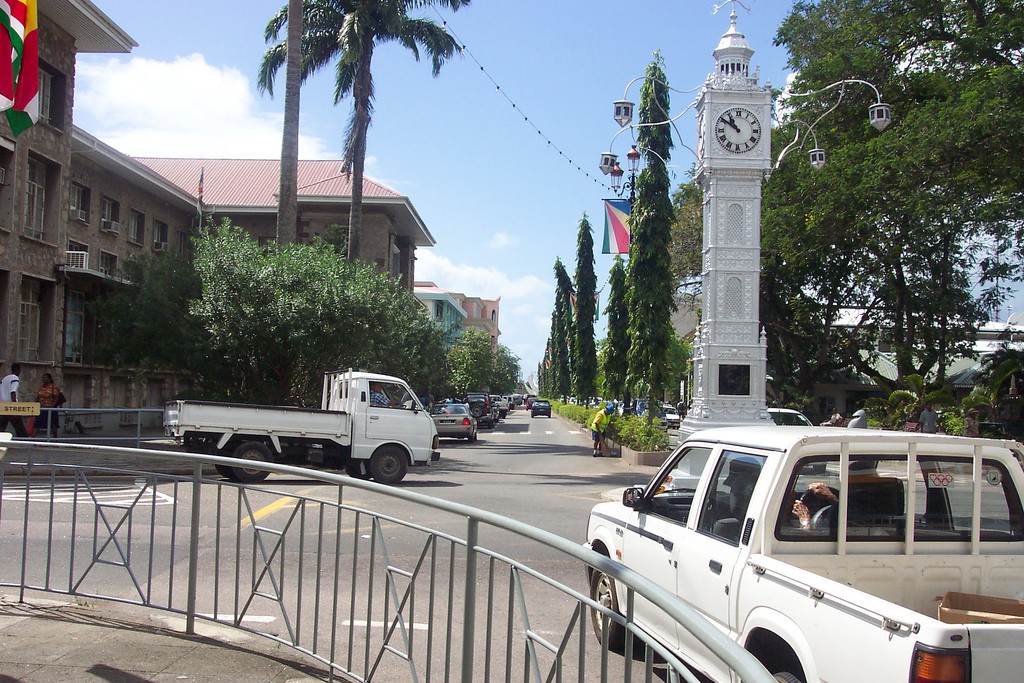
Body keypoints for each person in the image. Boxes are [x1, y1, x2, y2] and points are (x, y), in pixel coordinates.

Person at [0, 362, 28, 437]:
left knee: (2, 426)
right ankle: (24, 442)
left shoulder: (5, 378)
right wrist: (15, 405)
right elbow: (13, 391)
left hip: (3, 406)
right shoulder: (15, 378)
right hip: (11, 406)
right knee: (19, 427)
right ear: (19, 370)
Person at [36, 372, 65, 437]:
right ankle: (32, 438)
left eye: (45, 378)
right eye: (42, 378)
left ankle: (55, 438)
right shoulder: (41, 387)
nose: (43, 379)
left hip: (50, 408)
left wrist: (52, 407)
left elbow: (56, 397)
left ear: (49, 379)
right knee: (38, 423)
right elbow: (38, 396)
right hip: (42, 408)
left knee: (53, 424)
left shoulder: (53, 387)